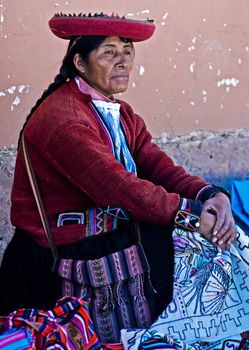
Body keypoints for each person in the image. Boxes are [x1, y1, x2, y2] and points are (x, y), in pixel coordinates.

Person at [0, 11, 236, 343]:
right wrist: (193, 217)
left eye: (127, 51)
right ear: (80, 63)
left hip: (103, 239)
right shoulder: (63, 119)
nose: (122, 61)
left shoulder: (120, 113)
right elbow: (118, 187)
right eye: (109, 52)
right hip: (58, 257)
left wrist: (210, 195)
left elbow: (157, 166)